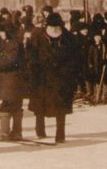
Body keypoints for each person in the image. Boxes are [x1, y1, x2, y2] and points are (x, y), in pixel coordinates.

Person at [28, 13, 81, 143]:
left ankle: (60, 134)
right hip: (42, 78)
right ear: (47, 26)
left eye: (56, 26)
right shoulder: (38, 37)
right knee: (40, 106)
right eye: (51, 26)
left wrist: (68, 72)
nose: (54, 29)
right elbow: (31, 55)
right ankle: (40, 130)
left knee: (61, 108)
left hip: (61, 79)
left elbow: (75, 58)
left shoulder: (69, 38)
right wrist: (34, 69)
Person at [0, 21, 28, 141]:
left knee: (7, 105)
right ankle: (16, 132)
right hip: (13, 79)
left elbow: (10, 62)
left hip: (11, 79)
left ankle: (5, 133)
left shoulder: (13, 44)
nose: (0, 34)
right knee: (16, 105)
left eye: (2, 32)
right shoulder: (9, 43)